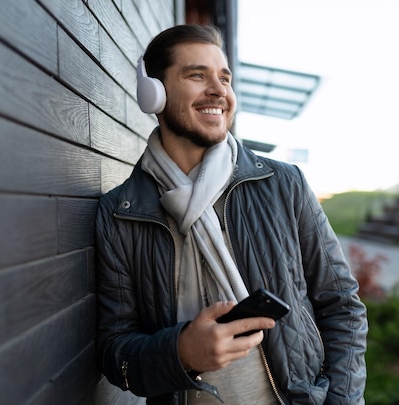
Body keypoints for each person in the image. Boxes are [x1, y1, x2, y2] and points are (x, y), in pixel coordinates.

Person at [95, 24, 368, 405]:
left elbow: (342, 305)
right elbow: (115, 351)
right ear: (153, 93)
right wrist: (180, 353)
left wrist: (342, 400)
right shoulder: (119, 213)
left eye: (224, 78)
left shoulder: (282, 184)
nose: (219, 90)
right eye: (197, 75)